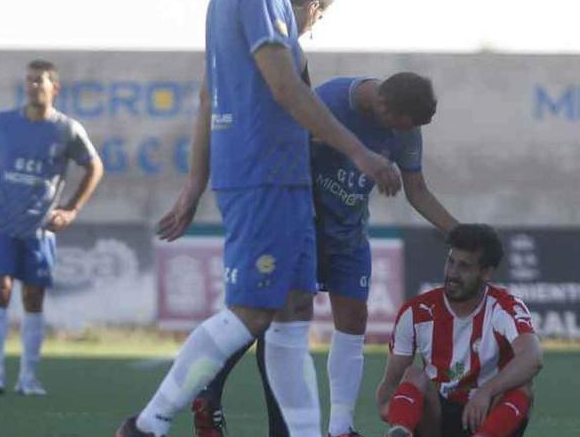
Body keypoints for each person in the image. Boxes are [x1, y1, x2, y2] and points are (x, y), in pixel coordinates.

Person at [116, 0, 400, 435]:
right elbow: (286, 89)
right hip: (264, 174)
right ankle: (148, 425)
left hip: (277, 179)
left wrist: (195, 183)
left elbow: (209, 94)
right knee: (251, 311)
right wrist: (360, 152)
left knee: (292, 313)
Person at [191, 72, 459, 437]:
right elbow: (280, 147)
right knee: (267, 315)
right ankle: (211, 388)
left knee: (352, 319)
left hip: (347, 236)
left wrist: (458, 232)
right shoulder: (331, 100)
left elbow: (417, 189)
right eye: (396, 126)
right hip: (301, 228)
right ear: (383, 105)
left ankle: (340, 428)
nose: (399, 135)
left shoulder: (406, 127)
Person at [0, 59, 103, 396]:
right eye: (30, 80)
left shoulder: (66, 129)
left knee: (33, 297)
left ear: (54, 87)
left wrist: (71, 209)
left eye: (41, 80)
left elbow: (94, 166)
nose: (34, 85)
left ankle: (28, 378)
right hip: (2, 220)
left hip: (40, 226)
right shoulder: (4, 123)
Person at [377, 224, 542, 437]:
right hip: (437, 419)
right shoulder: (416, 312)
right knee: (413, 375)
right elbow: (387, 394)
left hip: (485, 412)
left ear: (486, 273)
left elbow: (533, 357)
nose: (452, 273)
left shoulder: (504, 308)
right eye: (451, 262)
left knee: (522, 387)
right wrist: (403, 412)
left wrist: (486, 391)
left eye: (464, 266)